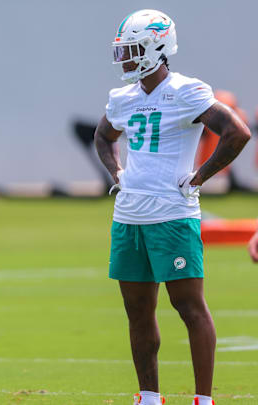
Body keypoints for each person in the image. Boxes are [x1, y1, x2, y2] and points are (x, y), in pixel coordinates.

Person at [94, 10, 251, 405]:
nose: (125, 60)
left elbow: (237, 133)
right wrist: (117, 172)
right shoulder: (123, 97)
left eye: (131, 51)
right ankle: (149, 397)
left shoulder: (187, 91)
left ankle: (203, 399)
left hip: (173, 216)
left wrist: (201, 174)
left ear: (155, 47)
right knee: (138, 312)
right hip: (129, 217)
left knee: (189, 307)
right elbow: (103, 135)